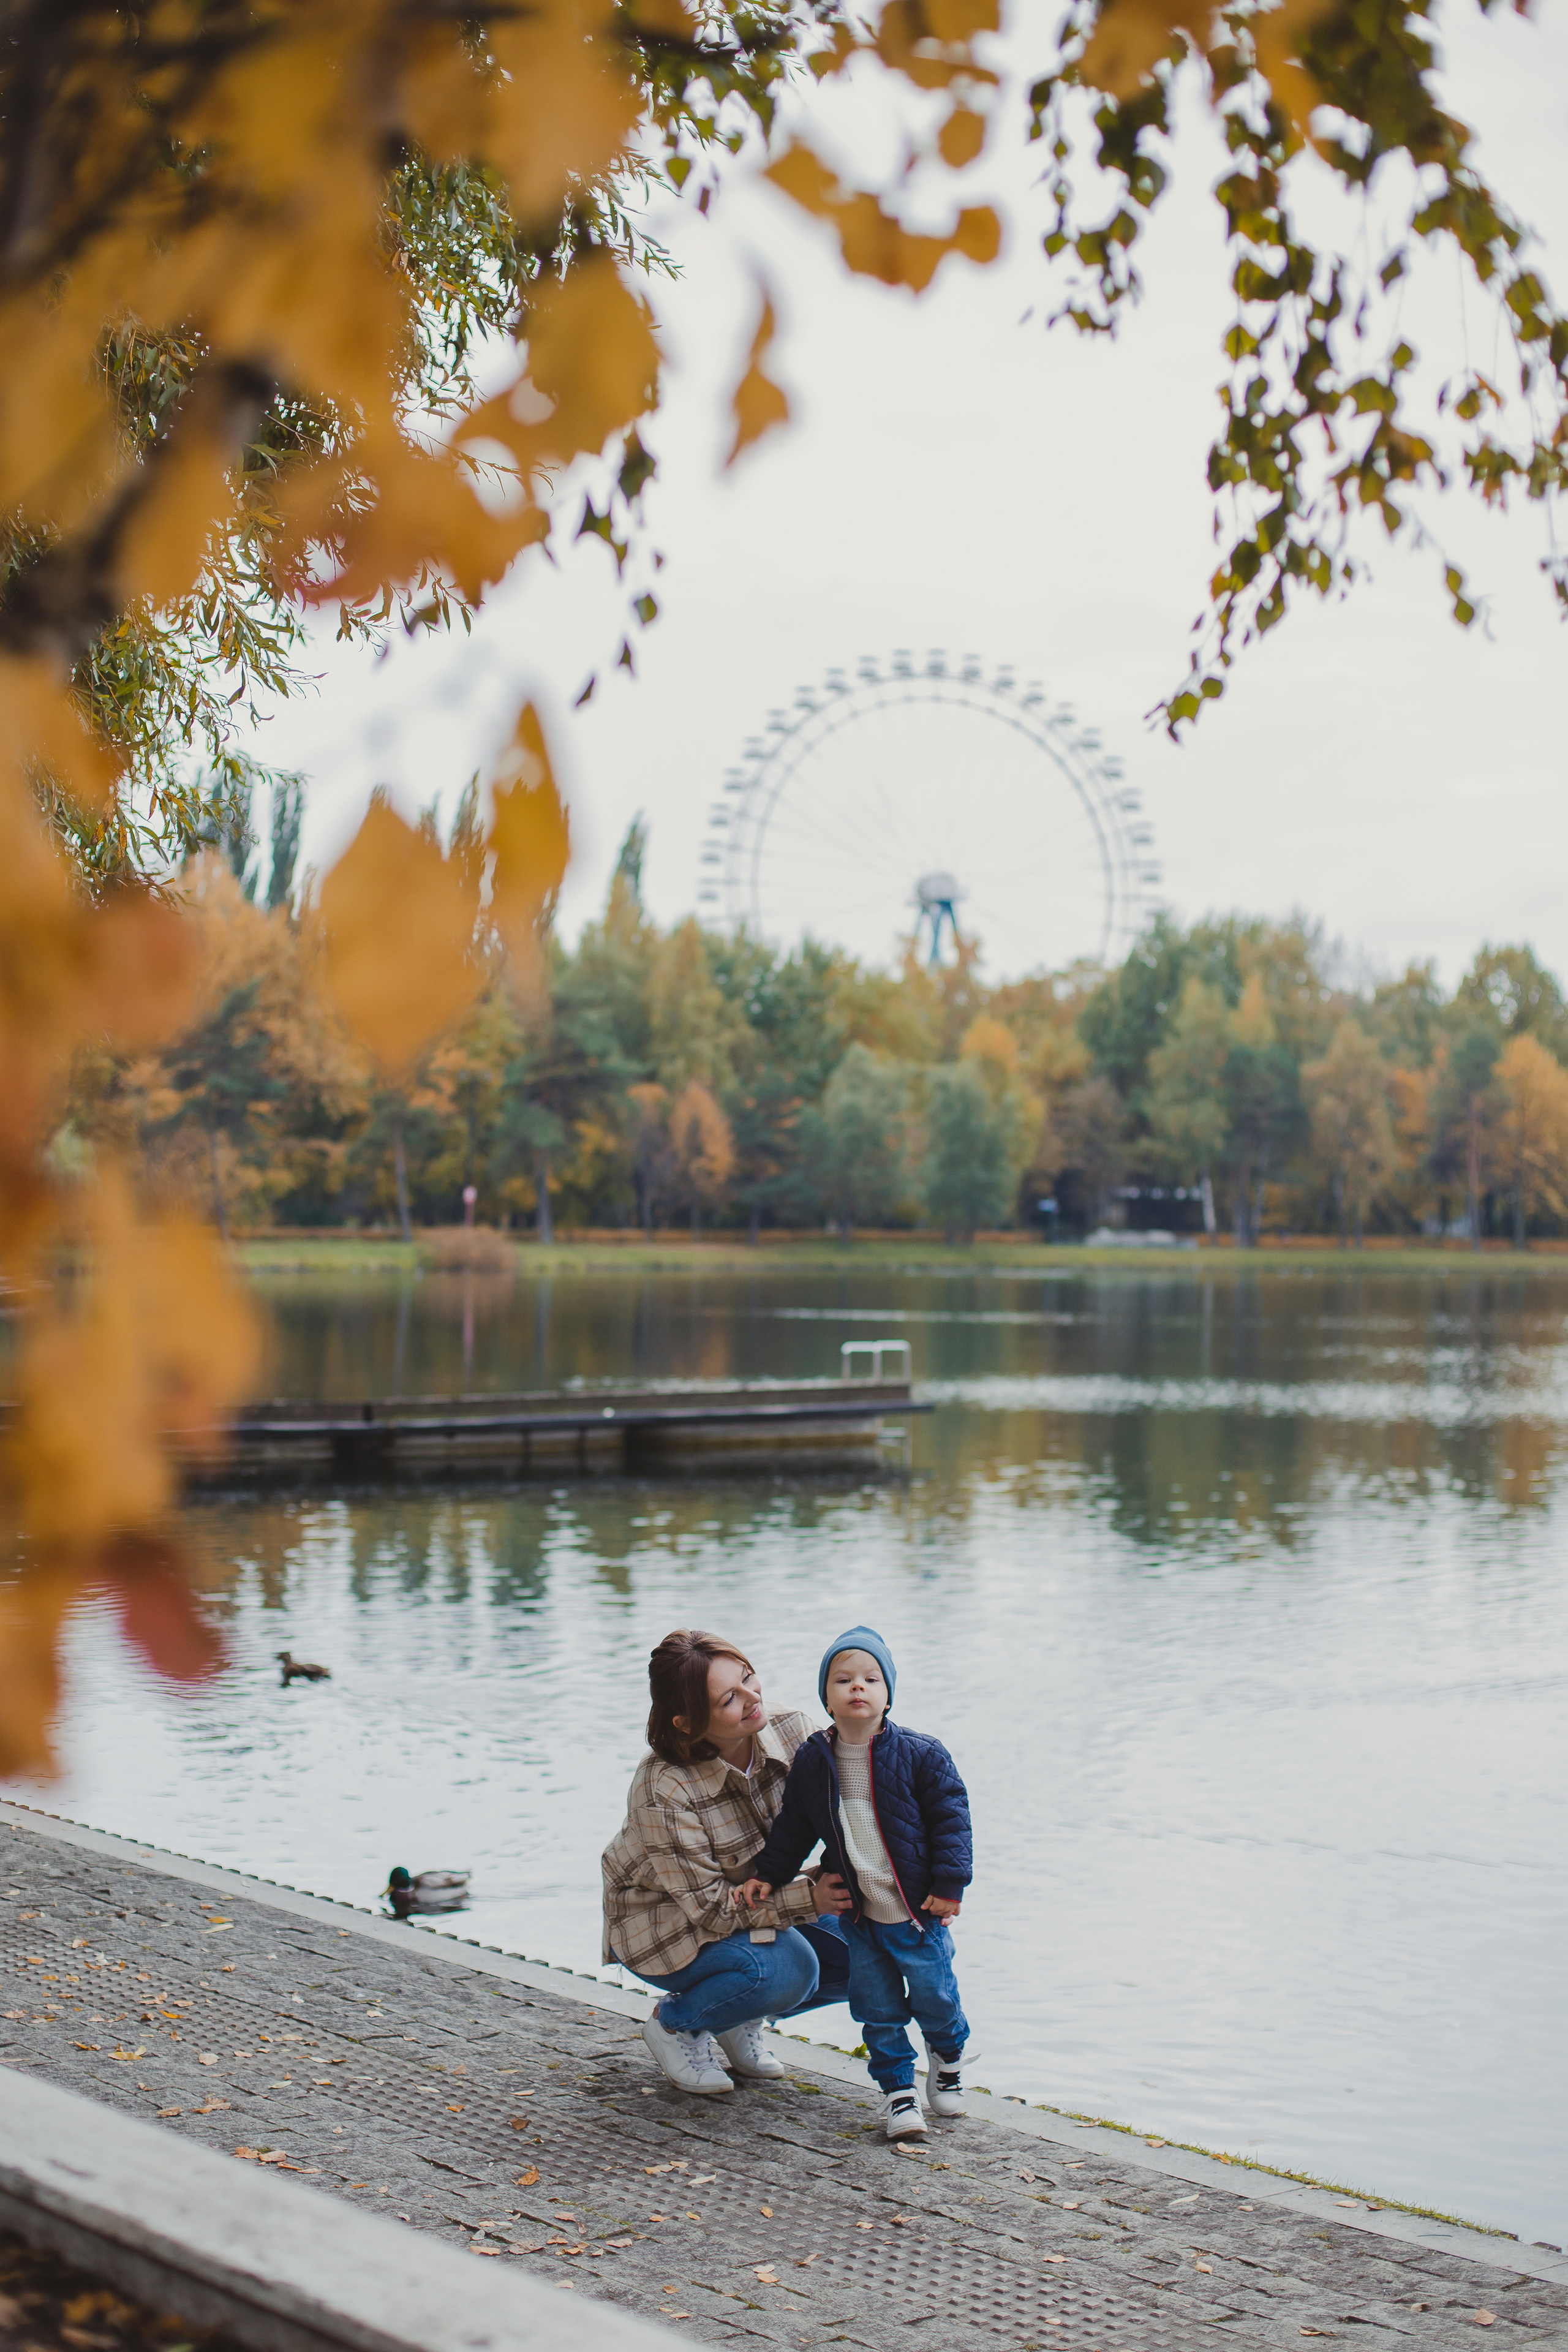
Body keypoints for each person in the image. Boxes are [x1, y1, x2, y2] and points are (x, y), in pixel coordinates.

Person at [736, 1624, 972, 2141]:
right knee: (878, 2009)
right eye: (843, 1679)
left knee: (936, 1996)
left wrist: (951, 1884)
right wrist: (769, 1875)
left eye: (870, 1679)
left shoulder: (922, 1754)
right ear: (827, 1696)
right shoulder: (814, 1761)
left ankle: (948, 2053)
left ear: (888, 1694)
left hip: (917, 1913)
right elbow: (793, 1827)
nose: (857, 1688)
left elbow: (951, 1819)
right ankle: (898, 2094)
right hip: (860, 1918)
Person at [603, 1627, 854, 2096]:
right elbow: (712, 1910)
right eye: (728, 1700)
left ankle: (736, 2017)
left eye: (748, 1679)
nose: (751, 1699)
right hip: (665, 1923)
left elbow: (843, 1817)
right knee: (789, 1969)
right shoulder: (663, 1788)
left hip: (758, 1897)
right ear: (687, 1723)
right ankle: (677, 2025)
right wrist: (810, 1897)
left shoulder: (793, 1731)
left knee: (872, 1949)